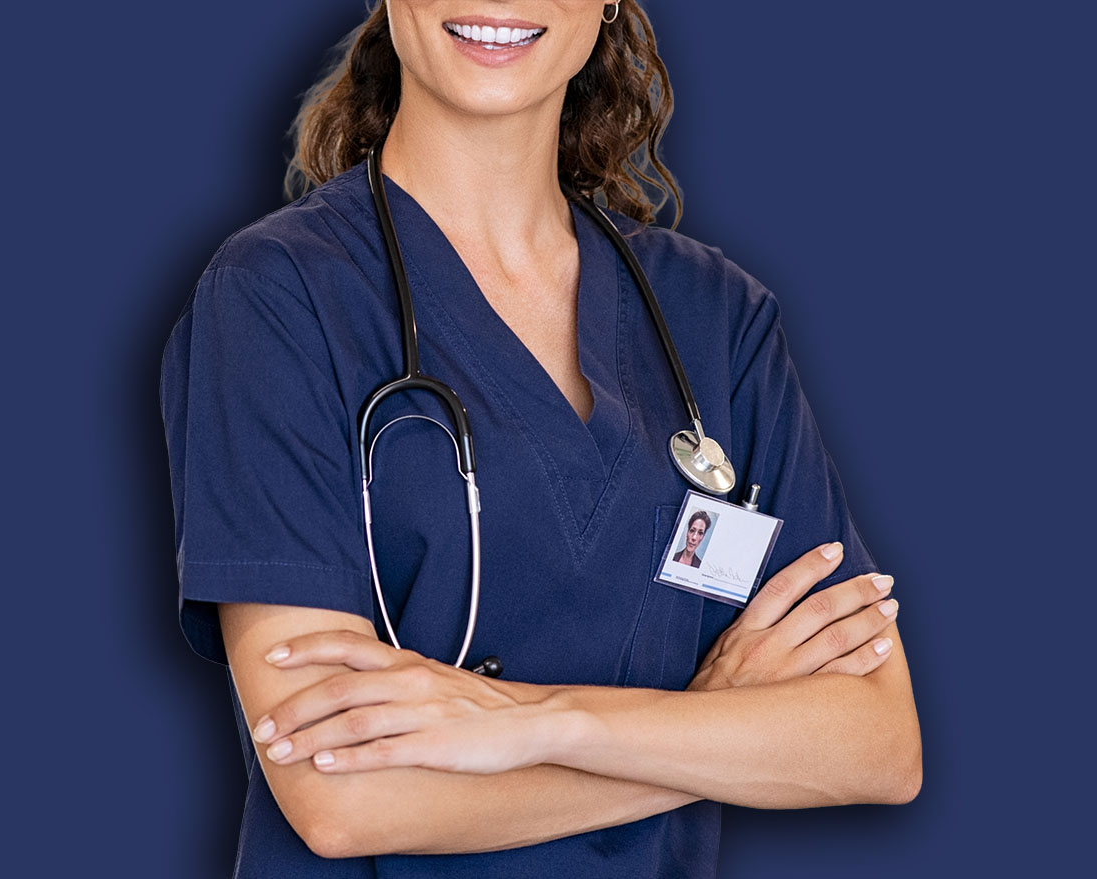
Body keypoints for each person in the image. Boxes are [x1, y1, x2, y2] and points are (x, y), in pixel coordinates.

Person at [159, 1, 921, 876]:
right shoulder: (275, 300)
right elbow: (339, 797)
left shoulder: (716, 317)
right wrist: (708, 723)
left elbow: (877, 740)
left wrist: (539, 721)